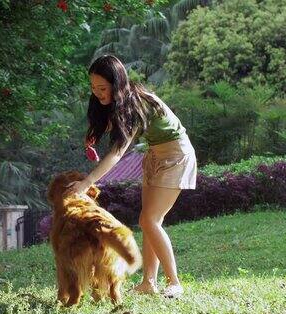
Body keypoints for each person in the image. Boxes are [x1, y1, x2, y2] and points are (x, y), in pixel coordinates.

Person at [64, 55, 197, 298]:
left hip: (177, 155)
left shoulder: (136, 103)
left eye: (102, 88)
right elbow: (112, 124)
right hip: (155, 155)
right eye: (93, 88)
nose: (97, 93)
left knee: (149, 220)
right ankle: (148, 283)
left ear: (117, 83)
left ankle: (174, 282)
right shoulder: (120, 101)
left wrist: (86, 183)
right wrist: (95, 132)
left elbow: (117, 152)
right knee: (149, 221)